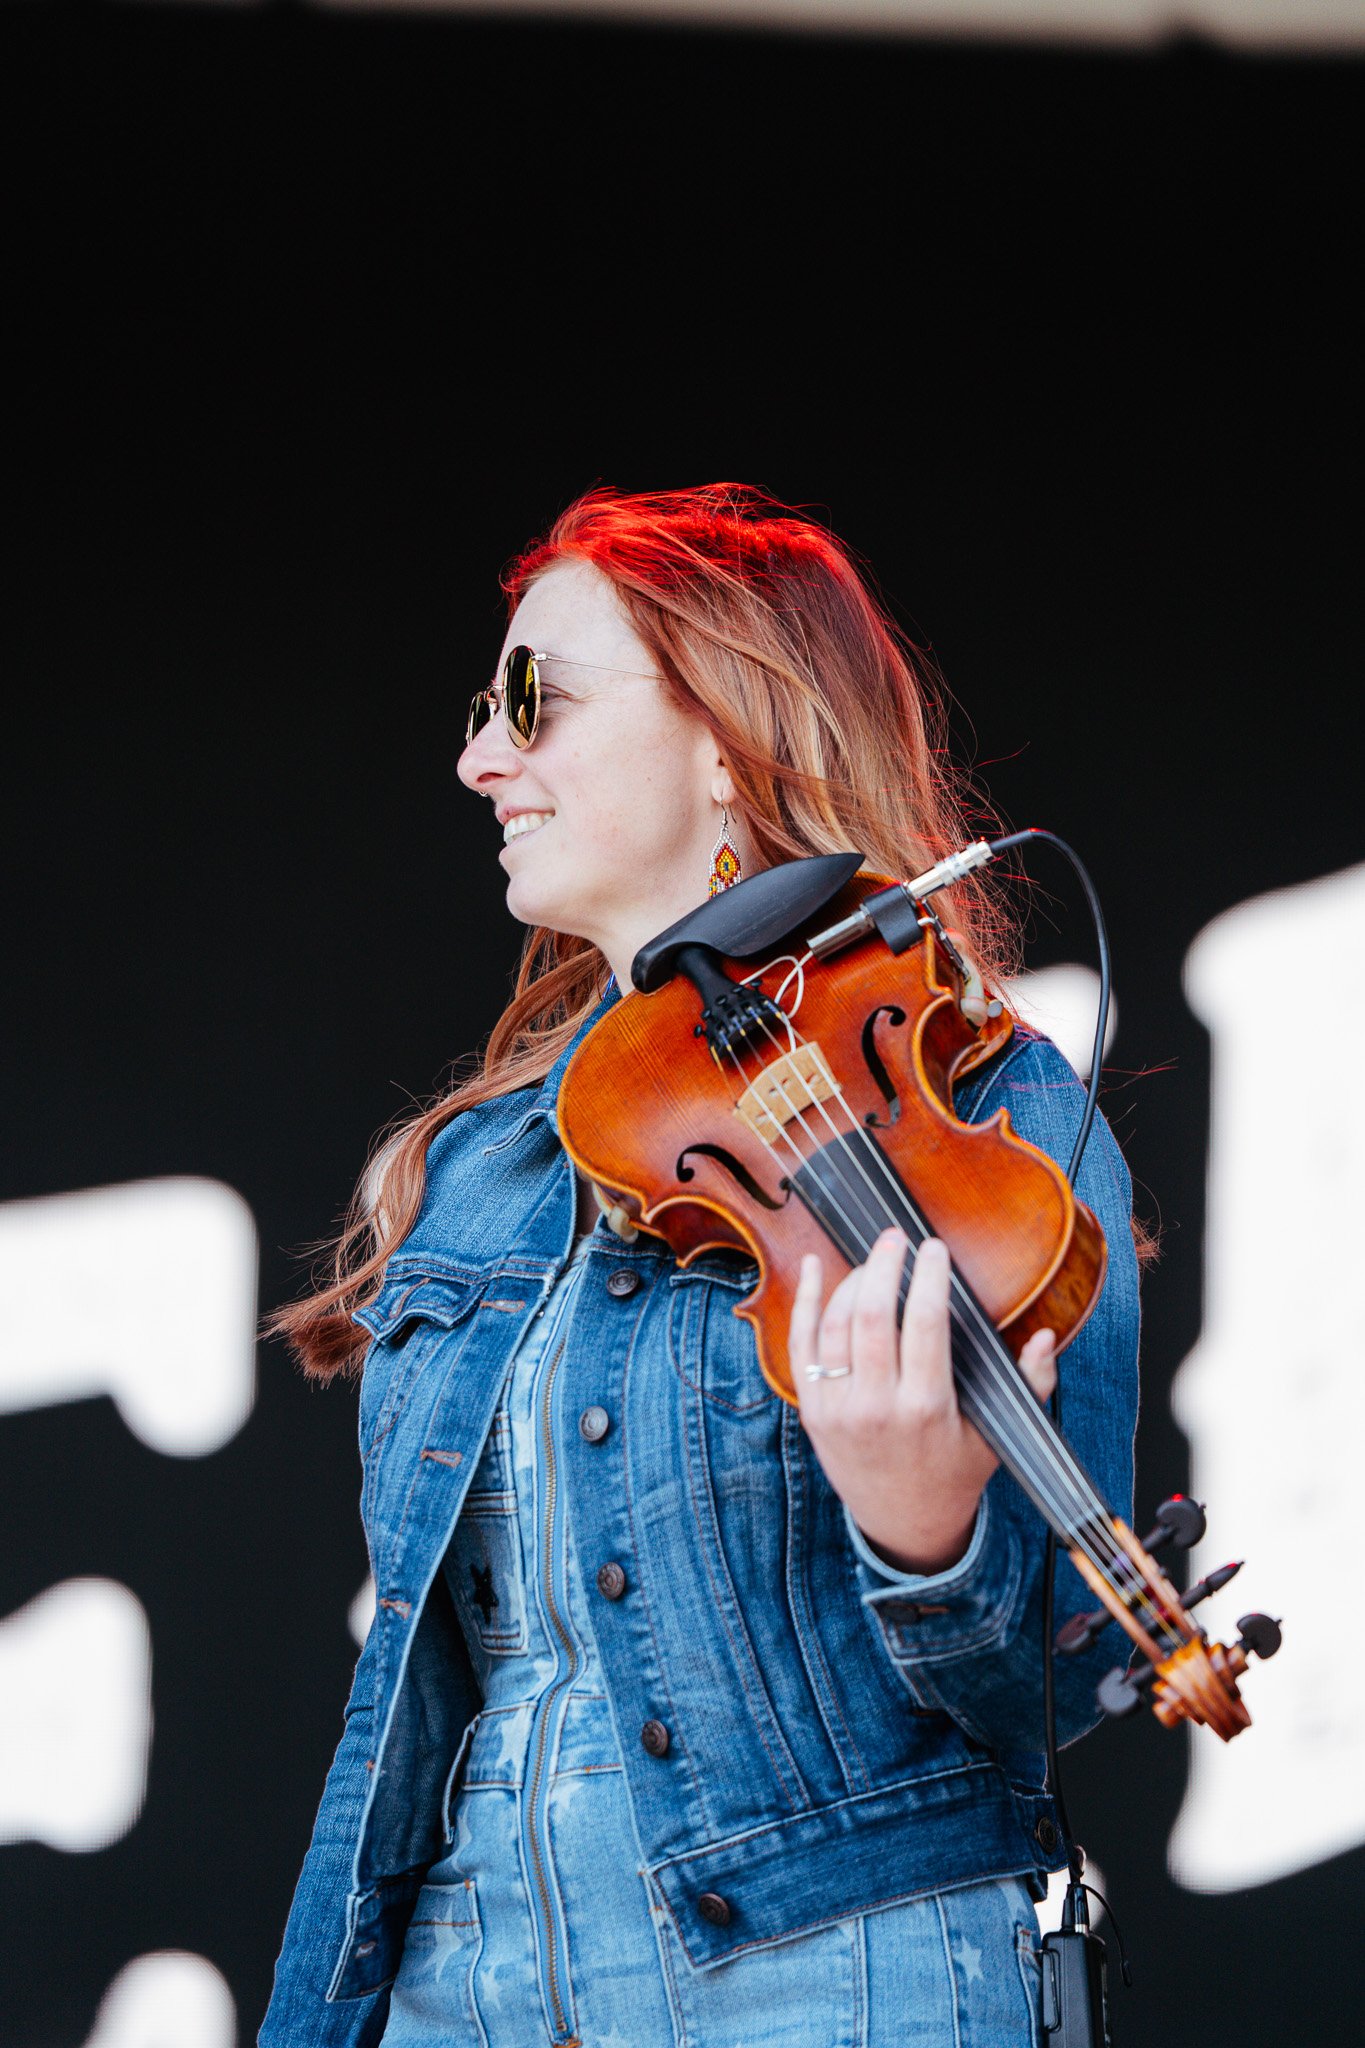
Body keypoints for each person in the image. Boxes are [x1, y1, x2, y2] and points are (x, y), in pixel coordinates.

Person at [260, 483, 1140, 2048]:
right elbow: (414, 1695)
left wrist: (925, 1536)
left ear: (727, 731)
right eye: (481, 707)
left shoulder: (981, 1116)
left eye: (533, 699)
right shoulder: (482, 1167)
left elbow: (1042, 1697)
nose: (479, 757)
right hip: (464, 1978)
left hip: (830, 1971)